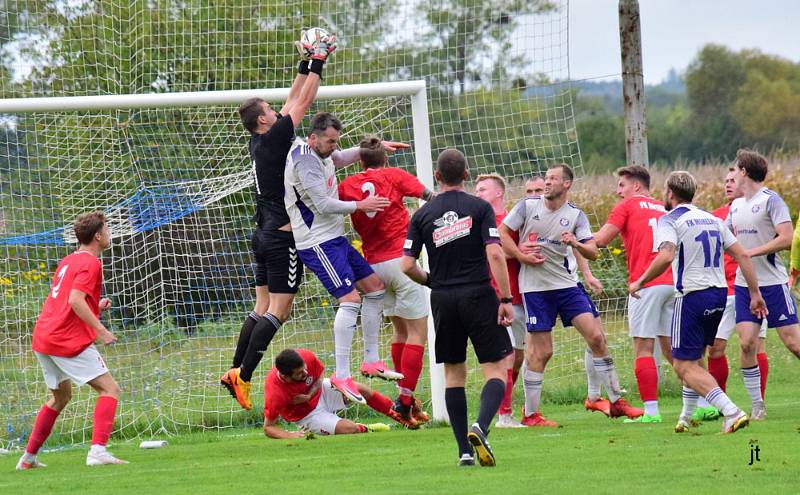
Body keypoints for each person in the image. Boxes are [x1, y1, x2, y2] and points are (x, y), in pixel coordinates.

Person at [221, 32, 336, 410]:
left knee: (261, 307)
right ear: (262, 121)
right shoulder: (272, 140)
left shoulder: (259, 141)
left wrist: (305, 61)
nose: (278, 111)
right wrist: (319, 60)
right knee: (278, 311)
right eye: (271, 111)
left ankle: (234, 368)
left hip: (262, 232)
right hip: (281, 237)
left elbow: (291, 98)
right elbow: (303, 100)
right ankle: (246, 376)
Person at [499, 163, 642, 427]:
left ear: (567, 184)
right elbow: (502, 233)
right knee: (542, 352)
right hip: (535, 289)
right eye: (546, 178)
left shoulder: (576, 215)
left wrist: (575, 243)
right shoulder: (528, 206)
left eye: (553, 178)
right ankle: (531, 415)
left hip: (566, 286)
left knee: (597, 336)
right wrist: (520, 254)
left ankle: (616, 401)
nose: (548, 182)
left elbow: (593, 251)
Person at [284, 112, 407, 406]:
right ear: (313, 138)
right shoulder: (304, 162)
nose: (333, 147)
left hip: (335, 239)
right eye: (330, 141)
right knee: (350, 300)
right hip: (317, 242)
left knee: (375, 289)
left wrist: (370, 151)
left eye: (336, 141)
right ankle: (341, 374)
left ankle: (371, 361)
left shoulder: (320, 150)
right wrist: (360, 205)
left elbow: (338, 159)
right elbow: (325, 205)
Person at [629, 171, 766, 434]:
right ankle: (686, 416)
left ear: (670, 193)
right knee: (694, 357)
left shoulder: (669, 219)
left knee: (683, 364)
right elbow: (742, 255)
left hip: (692, 295)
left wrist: (641, 280)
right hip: (717, 294)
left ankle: (731, 411)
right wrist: (755, 293)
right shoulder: (712, 219)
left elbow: (666, 256)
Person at [401, 149, 514, 467]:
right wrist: (505, 300)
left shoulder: (422, 215)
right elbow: (495, 254)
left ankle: (464, 450)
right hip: (478, 293)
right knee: (495, 368)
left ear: (437, 177)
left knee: (454, 373)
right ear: (466, 175)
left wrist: (430, 282)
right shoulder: (479, 207)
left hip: (443, 298)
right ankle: (481, 426)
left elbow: (407, 264)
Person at [17, 211, 127, 469]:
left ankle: (28, 459)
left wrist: (95, 306)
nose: (110, 233)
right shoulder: (91, 263)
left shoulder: (69, 260)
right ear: (98, 236)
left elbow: (68, 300)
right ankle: (97, 451)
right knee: (110, 389)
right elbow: (75, 300)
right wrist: (102, 331)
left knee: (60, 397)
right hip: (63, 340)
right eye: (107, 229)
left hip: (44, 336)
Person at [337, 135, 434, 428]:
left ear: (360, 160)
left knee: (399, 331)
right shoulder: (394, 175)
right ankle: (405, 401)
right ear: (386, 158)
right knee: (418, 332)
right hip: (401, 262)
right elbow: (428, 196)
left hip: (372, 267)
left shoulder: (346, 185)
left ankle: (405, 398)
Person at [593, 165, 673, 423]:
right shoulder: (664, 207)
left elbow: (601, 240)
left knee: (643, 348)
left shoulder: (627, 206)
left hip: (645, 284)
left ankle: (650, 412)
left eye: (621, 186)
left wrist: (573, 239)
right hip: (672, 283)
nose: (618, 192)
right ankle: (706, 402)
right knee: (675, 350)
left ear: (636, 186)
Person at [726, 149, 800, 421]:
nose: (732, 174)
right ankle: (757, 406)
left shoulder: (771, 200)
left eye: (735, 169)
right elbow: (726, 239)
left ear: (744, 171)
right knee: (746, 344)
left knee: (794, 344)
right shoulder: (735, 206)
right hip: (745, 285)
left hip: (773, 284)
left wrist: (751, 252)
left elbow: (787, 237)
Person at [698, 168, 768, 421]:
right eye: (726, 181)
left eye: (733, 180)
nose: (728, 184)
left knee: (752, 344)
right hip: (722, 291)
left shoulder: (758, 214)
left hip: (752, 289)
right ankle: (721, 403)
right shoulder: (714, 217)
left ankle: (758, 403)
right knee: (715, 348)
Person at [473, 173, 527, 428]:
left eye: (483, 189)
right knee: (504, 355)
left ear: (498, 193)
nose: (478, 193)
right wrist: (517, 253)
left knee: (518, 355)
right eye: (476, 189)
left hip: (520, 294)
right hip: (493, 297)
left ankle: (507, 408)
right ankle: (504, 414)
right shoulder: (477, 221)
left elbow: (525, 249)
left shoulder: (513, 221)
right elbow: (493, 253)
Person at [262, 348, 408, 438]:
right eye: (300, 374)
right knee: (350, 429)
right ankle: (367, 428)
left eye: (305, 368)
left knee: (360, 389)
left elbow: (319, 374)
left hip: (321, 391)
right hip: (307, 416)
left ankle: (402, 415)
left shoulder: (306, 356)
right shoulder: (275, 392)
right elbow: (268, 427)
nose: (306, 373)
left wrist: (310, 394)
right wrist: (290, 436)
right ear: (286, 377)